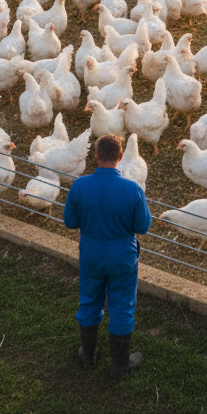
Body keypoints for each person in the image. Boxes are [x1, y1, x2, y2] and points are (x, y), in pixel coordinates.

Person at [63, 133, 152, 376]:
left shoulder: (79, 185)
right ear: (120, 156)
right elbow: (142, 226)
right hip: (122, 257)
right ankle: (120, 364)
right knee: (122, 306)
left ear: (96, 156)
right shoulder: (132, 189)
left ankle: (88, 355)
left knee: (89, 301)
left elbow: (70, 222)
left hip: (91, 254)